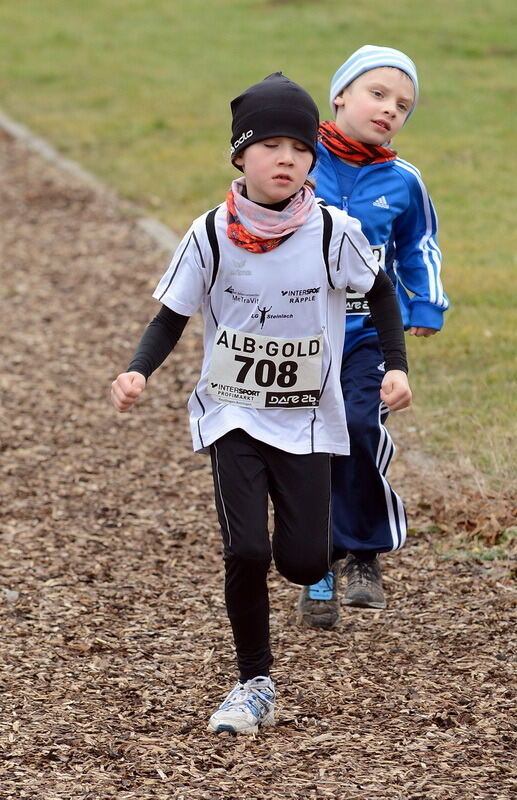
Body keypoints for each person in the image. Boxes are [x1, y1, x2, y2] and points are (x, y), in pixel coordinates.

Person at [111, 72, 412, 735]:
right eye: (271, 145)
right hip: (234, 412)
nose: (287, 159)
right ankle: (254, 683)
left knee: (301, 561)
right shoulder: (209, 234)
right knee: (245, 550)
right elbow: (171, 317)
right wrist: (137, 372)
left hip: (307, 420)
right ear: (240, 155)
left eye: (300, 149)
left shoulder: (332, 231)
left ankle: (321, 553)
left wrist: (395, 364)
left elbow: (380, 291)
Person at [298, 45, 449, 629]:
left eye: (403, 105)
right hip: (298, 334)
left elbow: (419, 245)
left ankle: (363, 552)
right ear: (340, 95)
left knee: (360, 428)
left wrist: (425, 304)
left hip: (367, 335)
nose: (390, 109)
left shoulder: (404, 181)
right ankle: (316, 564)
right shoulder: (298, 159)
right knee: (307, 447)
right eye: (378, 94)